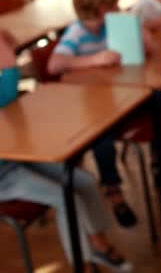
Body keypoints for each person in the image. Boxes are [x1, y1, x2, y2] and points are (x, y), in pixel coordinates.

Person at [0, 31, 133, 272]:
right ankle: (83, 261)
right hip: (3, 176)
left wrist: (7, 50)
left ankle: (98, 244)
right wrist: (7, 57)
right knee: (65, 197)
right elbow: (8, 84)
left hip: (14, 159)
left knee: (85, 181)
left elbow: (7, 92)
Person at [48, 0, 155, 228]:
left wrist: (140, 32)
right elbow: (55, 65)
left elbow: (149, 51)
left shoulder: (114, 26)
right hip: (90, 109)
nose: (118, 8)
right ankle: (114, 191)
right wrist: (94, 60)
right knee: (102, 140)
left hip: (118, 98)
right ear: (100, 8)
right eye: (114, 4)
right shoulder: (77, 33)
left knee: (159, 100)